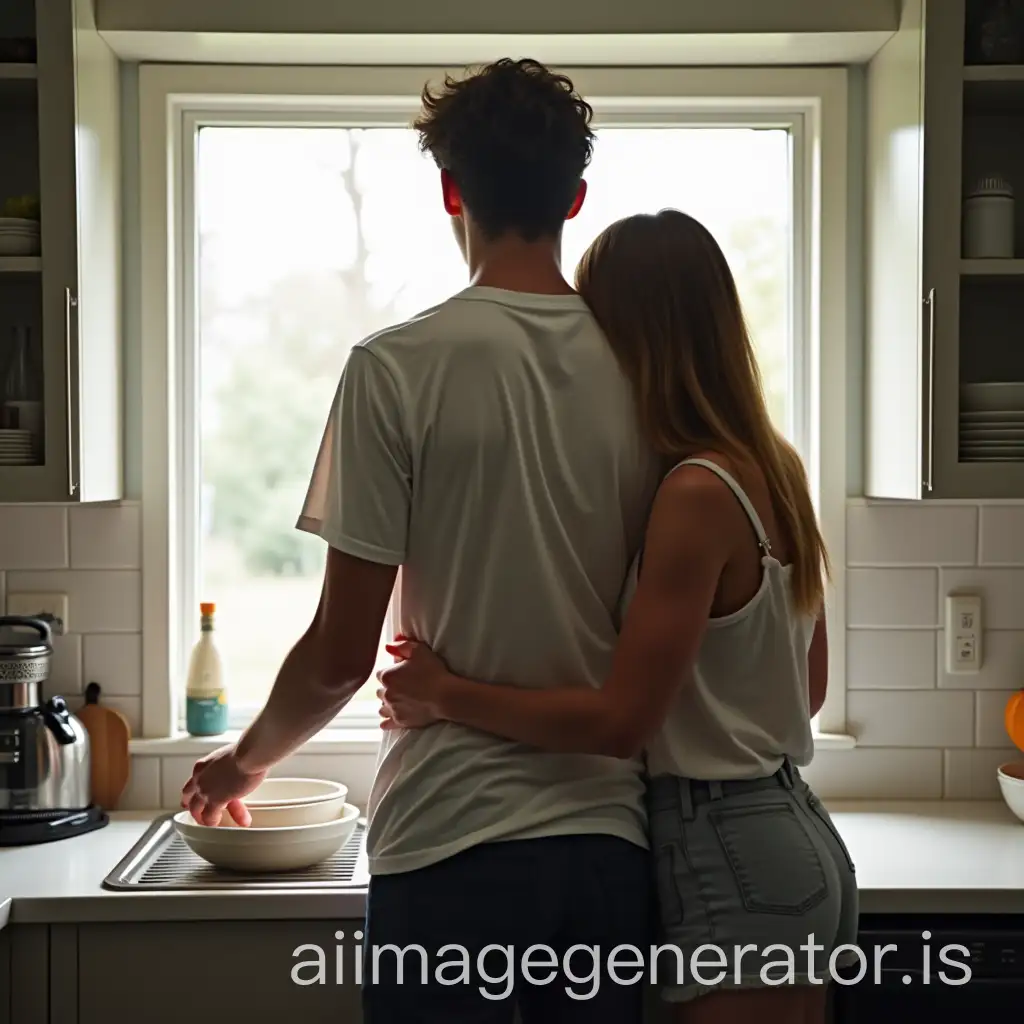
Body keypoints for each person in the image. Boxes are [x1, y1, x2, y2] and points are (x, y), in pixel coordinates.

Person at [180, 59, 663, 1023]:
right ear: (575, 197)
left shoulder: (393, 370)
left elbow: (339, 656)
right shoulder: (648, 372)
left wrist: (242, 764)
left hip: (447, 851)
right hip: (608, 855)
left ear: (451, 188)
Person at [378, 209, 860, 1024]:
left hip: (728, 847)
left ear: (632, 335)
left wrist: (443, 694)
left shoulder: (696, 493)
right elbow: (804, 692)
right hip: (788, 830)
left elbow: (619, 721)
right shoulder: (775, 467)